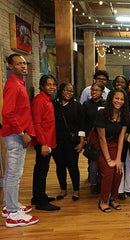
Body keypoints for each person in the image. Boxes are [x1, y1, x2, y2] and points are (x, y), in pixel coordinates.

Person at [1, 53, 39, 227]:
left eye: (24, 63)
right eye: (18, 64)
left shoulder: (18, 83)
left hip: (16, 134)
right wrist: (22, 132)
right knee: (14, 175)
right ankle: (13, 214)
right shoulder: (13, 85)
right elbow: (7, 113)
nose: (23, 66)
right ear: (10, 66)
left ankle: (10, 207)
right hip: (15, 135)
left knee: (12, 173)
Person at [95, 88, 128, 212]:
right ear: (111, 99)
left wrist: (118, 159)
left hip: (114, 143)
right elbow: (101, 138)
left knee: (119, 171)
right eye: (116, 98)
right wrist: (109, 159)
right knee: (108, 171)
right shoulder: (102, 113)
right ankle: (103, 200)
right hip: (100, 144)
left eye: (121, 99)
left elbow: (121, 138)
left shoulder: (124, 114)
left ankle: (113, 199)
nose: (118, 101)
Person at [31, 75, 60, 211]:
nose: (52, 87)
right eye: (48, 84)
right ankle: (41, 202)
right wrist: (43, 144)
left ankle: (38, 196)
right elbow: (37, 123)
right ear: (42, 86)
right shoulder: (39, 100)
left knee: (41, 170)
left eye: (53, 84)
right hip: (44, 142)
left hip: (48, 140)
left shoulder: (48, 99)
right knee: (41, 171)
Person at [53, 83, 85, 201]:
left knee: (73, 166)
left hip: (72, 141)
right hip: (57, 140)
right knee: (60, 165)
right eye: (66, 90)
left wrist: (82, 142)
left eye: (71, 91)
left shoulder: (77, 106)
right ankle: (63, 189)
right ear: (61, 91)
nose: (69, 93)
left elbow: (82, 125)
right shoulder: (54, 105)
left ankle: (76, 190)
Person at [83, 82, 106, 194]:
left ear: (102, 92)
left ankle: (101, 182)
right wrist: (85, 137)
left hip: (103, 137)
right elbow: (83, 122)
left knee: (102, 160)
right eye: (92, 90)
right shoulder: (86, 104)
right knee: (93, 161)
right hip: (91, 137)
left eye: (97, 90)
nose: (94, 92)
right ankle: (93, 183)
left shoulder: (106, 104)